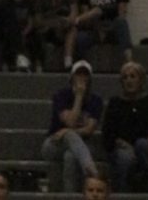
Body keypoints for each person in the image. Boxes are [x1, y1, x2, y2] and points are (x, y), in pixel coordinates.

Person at [102, 60, 148, 192]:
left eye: (133, 76)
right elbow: (107, 135)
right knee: (126, 158)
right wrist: (119, 142)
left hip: (146, 148)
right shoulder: (115, 103)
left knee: (141, 144)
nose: (129, 80)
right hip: (122, 149)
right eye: (125, 77)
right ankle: (123, 192)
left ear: (141, 80)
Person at [41, 59, 103, 193]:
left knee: (70, 156)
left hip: (82, 146)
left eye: (85, 75)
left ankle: (70, 196)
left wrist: (66, 131)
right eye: (78, 74)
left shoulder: (96, 100)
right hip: (54, 143)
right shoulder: (61, 96)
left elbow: (89, 129)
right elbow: (71, 122)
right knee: (70, 134)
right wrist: (79, 96)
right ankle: (91, 170)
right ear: (72, 77)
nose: (81, 78)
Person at [32, 0, 76, 71]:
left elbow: (73, 16)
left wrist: (64, 22)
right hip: (47, 29)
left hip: (63, 29)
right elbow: (37, 21)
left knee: (73, 29)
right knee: (36, 33)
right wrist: (53, 22)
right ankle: (38, 66)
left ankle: (68, 61)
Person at [0, 0, 37, 73]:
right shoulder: (5, 2)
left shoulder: (28, 1)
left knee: (36, 37)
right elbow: (4, 21)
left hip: (25, 31)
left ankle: (36, 64)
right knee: (11, 35)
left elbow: (31, 20)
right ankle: (14, 60)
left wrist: (24, 33)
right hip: (8, 32)